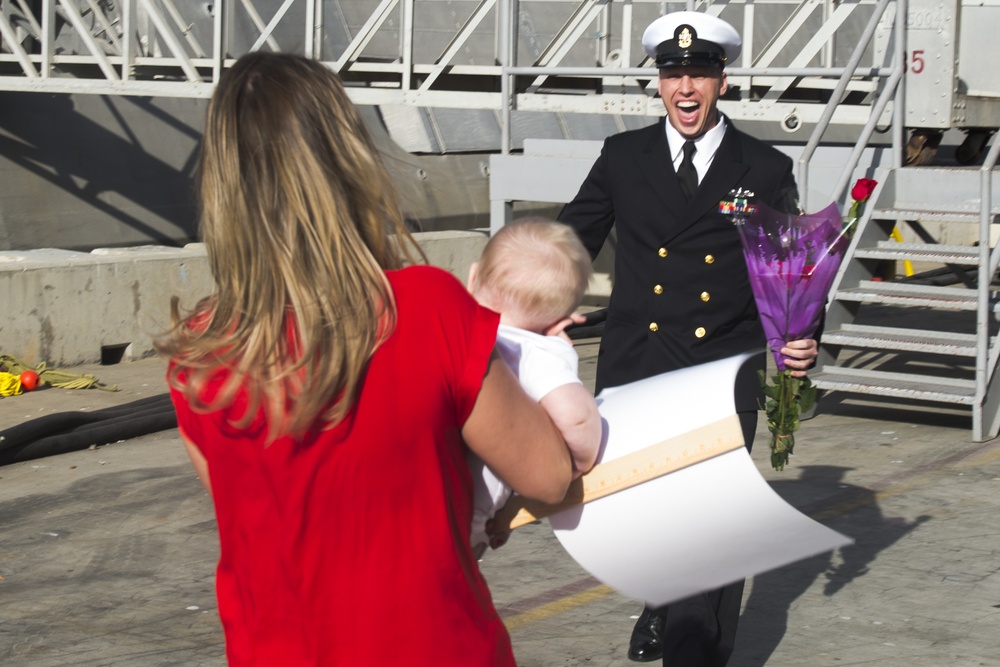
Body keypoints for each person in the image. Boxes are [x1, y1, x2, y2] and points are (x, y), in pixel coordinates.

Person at [156, 52, 576, 667]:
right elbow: (549, 474)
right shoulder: (428, 308)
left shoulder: (197, 353)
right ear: (348, 161)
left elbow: (259, 511)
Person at [557, 11, 819, 667]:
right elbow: (568, 240)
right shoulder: (624, 157)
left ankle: (692, 646)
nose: (685, 86)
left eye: (699, 72)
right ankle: (663, 598)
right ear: (658, 82)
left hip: (719, 374)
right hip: (636, 368)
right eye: (673, 72)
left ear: (722, 81)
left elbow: (791, 269)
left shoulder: (761, 166)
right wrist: (538, 304)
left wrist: (802, 335)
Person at [466, 219, 603, 558]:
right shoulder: (539, 351)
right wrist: (577, 463)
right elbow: (577, 419)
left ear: (472, 277)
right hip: (471, 512)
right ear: (561, 318)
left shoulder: (455, 325)